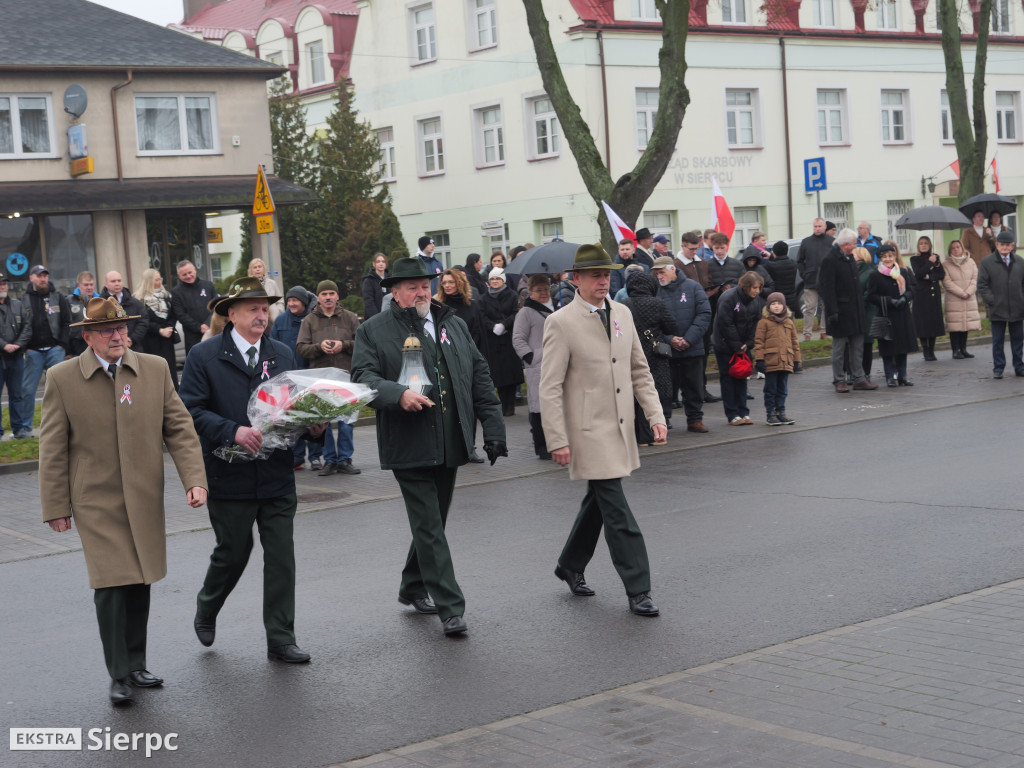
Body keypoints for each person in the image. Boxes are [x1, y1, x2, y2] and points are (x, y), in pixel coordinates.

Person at [39, 296, 207, 705]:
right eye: (108, 331)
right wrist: (55, 506)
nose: (118, 336)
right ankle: (118, 673)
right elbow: (52, 448)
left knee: (139, 579)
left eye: (122, 329)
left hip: (143, 494)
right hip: (95, 499)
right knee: (111, 583)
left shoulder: (154, 368)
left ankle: (136, 663)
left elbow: (180, 428)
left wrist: (194, 479)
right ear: (89, 337)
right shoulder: (62, 378)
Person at [351, 257, 507, 636]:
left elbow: (479, 375)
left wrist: (494, 429)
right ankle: (451, 607)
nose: (421, 292)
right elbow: (362, 377)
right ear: (394, 291)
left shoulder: (451, 323)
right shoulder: (373, 330)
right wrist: (397, 394)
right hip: (408, 443)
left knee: (432, 522)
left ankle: (412, 584)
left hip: (452, 439)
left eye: (425, 285)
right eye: (411, 287)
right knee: (429, 525)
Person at [180, 277, 324, 664]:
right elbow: (189, 411)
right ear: (231, 314)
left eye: (265, 309)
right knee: (233, 551)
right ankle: (208, 605)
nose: (262, 315)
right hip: (229, 476)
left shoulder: (282, 353)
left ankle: (281, 638)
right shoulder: (204, 356)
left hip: (276, 472)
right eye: (252, 309)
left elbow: (294, 405)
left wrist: (314, 423)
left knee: (281, 556)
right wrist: (233, 430)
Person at [540, 243, 664, 617]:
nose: (602, 281)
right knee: (616, 508)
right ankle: (638, 587)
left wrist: (655, 415)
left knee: (600, 500)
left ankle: (569, 564)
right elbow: (549, 386)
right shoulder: (560, 322)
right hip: (588, 431)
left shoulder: (622, 312)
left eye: (607, 274)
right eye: (595, 275)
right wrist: (557, 439)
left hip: (622, 427)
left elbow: (639, 370)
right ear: (576, 279)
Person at [296, 280, 362, 477]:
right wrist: (318, 347)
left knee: (346, 421)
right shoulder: (309, 320)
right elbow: (300, 348)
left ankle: (345, 459)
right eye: (324, 294)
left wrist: (344, 345)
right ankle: (329, 460)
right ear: (318, 298)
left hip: (345, 375)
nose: (328, 297)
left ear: (337, 296)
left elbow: (362, 343)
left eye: (331, 293)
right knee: (323, 421)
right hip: (320, 378)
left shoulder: (350, 318)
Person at [650, 255, 711, 433]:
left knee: (694, 386)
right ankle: (664, 420)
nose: (659, 277)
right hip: (667, 350)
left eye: (661, 272)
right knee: (665, 387)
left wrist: (688, 339)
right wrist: (670, 339)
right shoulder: (655, 291)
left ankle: (695, 419)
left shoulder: (693, 287)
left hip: (692, 348)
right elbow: (652, 321)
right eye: (656, 273)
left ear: (672, 269)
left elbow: (704, 314)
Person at [12, 265, 70, 440]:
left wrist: (62, 345)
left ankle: (67, 423)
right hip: (33, 352)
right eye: (39, 276)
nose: (43, 279)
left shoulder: (58, 297)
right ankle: (25, 428)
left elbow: (67, 322)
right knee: (28, 390)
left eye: (45, 275)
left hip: (55, 350)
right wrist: (25, 347)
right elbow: (20, 325)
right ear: (31, 278)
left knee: (62, 388)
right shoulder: (23, 300)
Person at [270, 285, 324, 471]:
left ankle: (316, 457)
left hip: (310, 375)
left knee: (313, 417)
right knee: (294, 418)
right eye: (289, 300)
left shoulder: (312, 320)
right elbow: (272, 345)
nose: (291, 303)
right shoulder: (280, 321)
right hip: (289, 377)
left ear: (303, 302)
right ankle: (297, 457)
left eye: (295, 300)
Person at [435, 269, 486, 463]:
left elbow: (480, 336)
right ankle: (450, 446)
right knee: (449, 406)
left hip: (467, 363)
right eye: (444, 282)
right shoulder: (439, 307)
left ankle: (469, 447)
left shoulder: (473, 307)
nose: (447, 285)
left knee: (468, 406)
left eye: (451, 282)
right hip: (446, 363)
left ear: (459, 283)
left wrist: (479, 363)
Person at [818, 228, 878, 393]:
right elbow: (826, 287)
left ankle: (859, 378)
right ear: (845, 244)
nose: (855, 246)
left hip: (856, 310)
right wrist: (833, 311)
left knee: (857, 346)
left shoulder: (849, 257)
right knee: (839, 348)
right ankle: (839, 380)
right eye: (853, 243)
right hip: (840, 311)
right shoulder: (830, 259)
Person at [622, 270, 678, 442]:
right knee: (653, 390)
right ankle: (655, 430)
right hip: (655, 353)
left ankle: (639, 435)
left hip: (631, 351)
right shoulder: (657, 303)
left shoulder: (624, 304)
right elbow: (671, 327)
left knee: (635, 390)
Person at [712, 271, 765, 425]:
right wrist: (736, 345)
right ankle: (732, 414)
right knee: (728, 379)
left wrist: (748, 343)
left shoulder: (756, 301)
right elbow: (725, 323)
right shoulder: (728, 298)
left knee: (742, 377)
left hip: (743, 345)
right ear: (746, 286)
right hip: (724, 345)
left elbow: (756, 323)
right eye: (754, 288)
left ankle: (744, 412)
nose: (756, 291)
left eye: (759, 288)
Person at [512, 274, 555, 458]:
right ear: (530, 292)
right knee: (538, 407)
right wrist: (531, 358)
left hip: (555, 364)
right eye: (539, 290)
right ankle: (542, 446)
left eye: (546, 289)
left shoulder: (554, 309)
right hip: (538, 366)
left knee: (554, 406)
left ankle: (556, 443)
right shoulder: (526, 312)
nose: (543, 293)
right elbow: (518, 339)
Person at [478, 267, 524, 417]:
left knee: (510, 374)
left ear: (503, 280)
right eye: (492, 279)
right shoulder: (484, 298)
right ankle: (503, 404)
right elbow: (482, 316)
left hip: (508, 338)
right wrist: (492, 327)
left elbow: (516, 312)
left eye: (497, 279)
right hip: (493, 341)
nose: (495, 281)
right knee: (498, 375)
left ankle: (510, 406)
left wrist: (505, 324)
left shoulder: (511, 295)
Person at [867, 247, 918, 387]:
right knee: (888, 347)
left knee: (903, 346)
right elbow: (871, 296)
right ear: (880, 259)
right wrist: (889, 300)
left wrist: (905, 298)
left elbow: (911, 290)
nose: (888, 259)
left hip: (902, 314)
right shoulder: (875, 275)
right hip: (886, 315)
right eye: (884, 257)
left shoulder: (902, 272)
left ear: (895, 257)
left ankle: (903, 375)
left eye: (890, 256)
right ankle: (890, 376)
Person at [978, 230, 1024, 379]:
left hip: (1017, 307)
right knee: (998, 341)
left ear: (1012, 246)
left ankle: (1019, 366)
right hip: (997, 308)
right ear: (997, 245)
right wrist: (993, 301)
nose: (1005, 247)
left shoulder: (1020, 262)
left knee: (1018, 340)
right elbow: (982, 285)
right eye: (1002, 244)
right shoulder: (987, 262)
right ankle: (998, 367)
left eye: (1007, 245)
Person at [754, 292, 801, 426]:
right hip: (771, 361)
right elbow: (759, 342)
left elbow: (794, 342)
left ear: (784, 306)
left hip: (786, 361)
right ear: (768, 307)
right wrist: (760, 360)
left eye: (779, 304)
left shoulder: (789, 322)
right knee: (771, 389)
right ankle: (771, 413)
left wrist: (797, 360)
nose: (776, 307)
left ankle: (781, 412)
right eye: (773, 304)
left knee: (783, 389)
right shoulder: (764, 322)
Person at [134, 268, 179, 389]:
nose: (160, 282)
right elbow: (144, 320)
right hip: (151, 341)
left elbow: (173, 315)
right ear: (148, 281)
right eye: (157, 279)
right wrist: (159, 330)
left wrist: (169, 328)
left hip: (167, 341)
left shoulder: (166, 296)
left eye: (160, 279)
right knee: (154, 372)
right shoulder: (140, 300)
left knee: (170, 371)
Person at [0, 271, 30, 438]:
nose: (2, 286)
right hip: (0, 357)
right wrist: (4, 345)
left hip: (16, 357)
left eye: (4, 283)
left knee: (17, 395)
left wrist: (17, 344)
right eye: (0, 284)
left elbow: (27, 326)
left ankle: (19, 429)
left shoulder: (17, 304)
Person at [909, 236, 946, 362]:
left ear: (929, 245)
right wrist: (930, 262)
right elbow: (919, 273)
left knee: (933, 322)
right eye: (921, 243)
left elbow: (941, 274)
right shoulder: (914, 259)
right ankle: (925, 350)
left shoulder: (936, 257)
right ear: (918, 246)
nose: (924, 245)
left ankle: (932, 350)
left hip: (933, 294)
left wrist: (930, 277)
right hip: (921, 294)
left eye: (926, 243)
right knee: (923, 323)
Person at [942, 240, 981, 360]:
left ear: (962, 248)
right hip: (954, 298)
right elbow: (946, 282)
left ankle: (963, 349)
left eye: (958, 247)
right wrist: (961, 292)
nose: (956, 249)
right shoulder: (946, 264)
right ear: (950, 250)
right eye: (953, 248)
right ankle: (955, 350)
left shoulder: (971, 262)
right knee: (955, 326)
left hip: (969, 297)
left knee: (965, 324)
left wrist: (968, 292)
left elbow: (975, 278)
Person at [798, 218, 834, 339]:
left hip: (826, 279)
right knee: (809, 308)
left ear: (824, 227)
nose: (817, 229)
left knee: (826, 307)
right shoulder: (806, 242)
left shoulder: (832, 242)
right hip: (811, 279)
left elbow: (836, 259)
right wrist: (805, 274)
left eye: (819, 226)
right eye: (815, 226)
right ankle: (807, 333)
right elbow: (800, 261)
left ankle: (824, 331)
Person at [171, 259, 216, 354]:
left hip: (212, 330)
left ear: (195, 269)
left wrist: (207, 324)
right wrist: (199, 327)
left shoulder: (208, 285)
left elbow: (216, 306)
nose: (188, 276)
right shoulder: (176, 292)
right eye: (184, 274)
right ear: (179, 276)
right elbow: (180, 315)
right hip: (192, 336)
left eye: (190, 272)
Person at [100, 271, 149, 351]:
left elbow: (143, 321)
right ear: (106, 284)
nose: (117, 283)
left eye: (119, 281)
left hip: (134, 348)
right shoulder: (100, 304)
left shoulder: (135, 303)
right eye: (113, 281)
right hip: (109, 349)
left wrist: (132, 339)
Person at [854, 246, 878, 381]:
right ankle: (855, 372)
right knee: (855, 344)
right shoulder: (853, 270)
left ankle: (866, 373)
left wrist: (859, 301)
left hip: (867, 311)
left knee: (867, 344)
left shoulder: (869, 272)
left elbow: (869, 291)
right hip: (855, 311)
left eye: (854, 255)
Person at [68, 271, 99, 356]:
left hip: (96, 345)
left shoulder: (101, 301)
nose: (89, 287)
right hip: (76, 347)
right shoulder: (69, 301)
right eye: (86, 285)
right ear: (78, 285)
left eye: (91, 284)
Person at [248, 258, 284, 322]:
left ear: (263, 269)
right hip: (256, 318)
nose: (258, 269)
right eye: (255, 267)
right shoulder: (248, 285)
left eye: (260, 266)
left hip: (273, 318)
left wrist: (279, 311)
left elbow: (280, 301)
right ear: (251, 271)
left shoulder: (272, 283)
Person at [362, 253, 390, 318]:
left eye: (383, 261)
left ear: (386, 264)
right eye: (378, 261)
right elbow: (368, 301)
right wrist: (377, 318)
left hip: (389, 317)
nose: (381, 264)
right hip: (374, 318)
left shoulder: (390, 280)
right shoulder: (368, 281)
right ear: (374, 264)